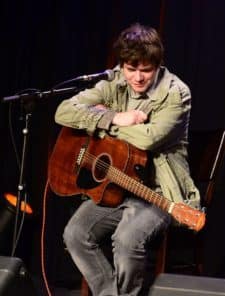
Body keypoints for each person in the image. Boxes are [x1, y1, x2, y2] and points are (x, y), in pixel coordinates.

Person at [55, 23, 200, 296]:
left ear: (157, 65)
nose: (137, 77)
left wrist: (103, 121)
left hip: (158, 193)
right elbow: (63, 111)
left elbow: (148, 138)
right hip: (116, 186)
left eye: (145, 70)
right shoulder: (114, 82)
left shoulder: (176, 93)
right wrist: (113, 117)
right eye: (131, 69)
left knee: (126, 239)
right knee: (74, 234)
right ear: (121, 65)